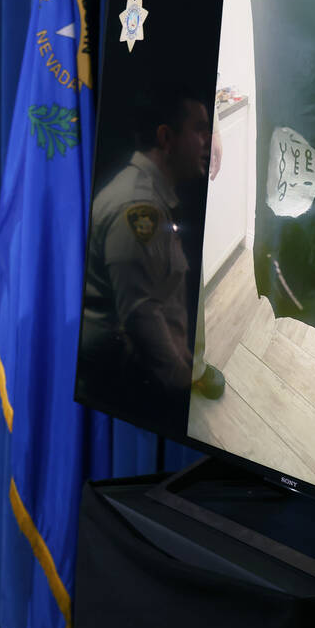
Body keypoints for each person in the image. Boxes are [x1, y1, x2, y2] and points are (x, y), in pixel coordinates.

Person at [77, 88, 223, 427]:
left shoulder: (151, 194)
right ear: (166, 137)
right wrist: (181, 382)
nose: (207, 140)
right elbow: (142, 318)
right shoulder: (138, 209)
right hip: (122, 381)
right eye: (199, 129)